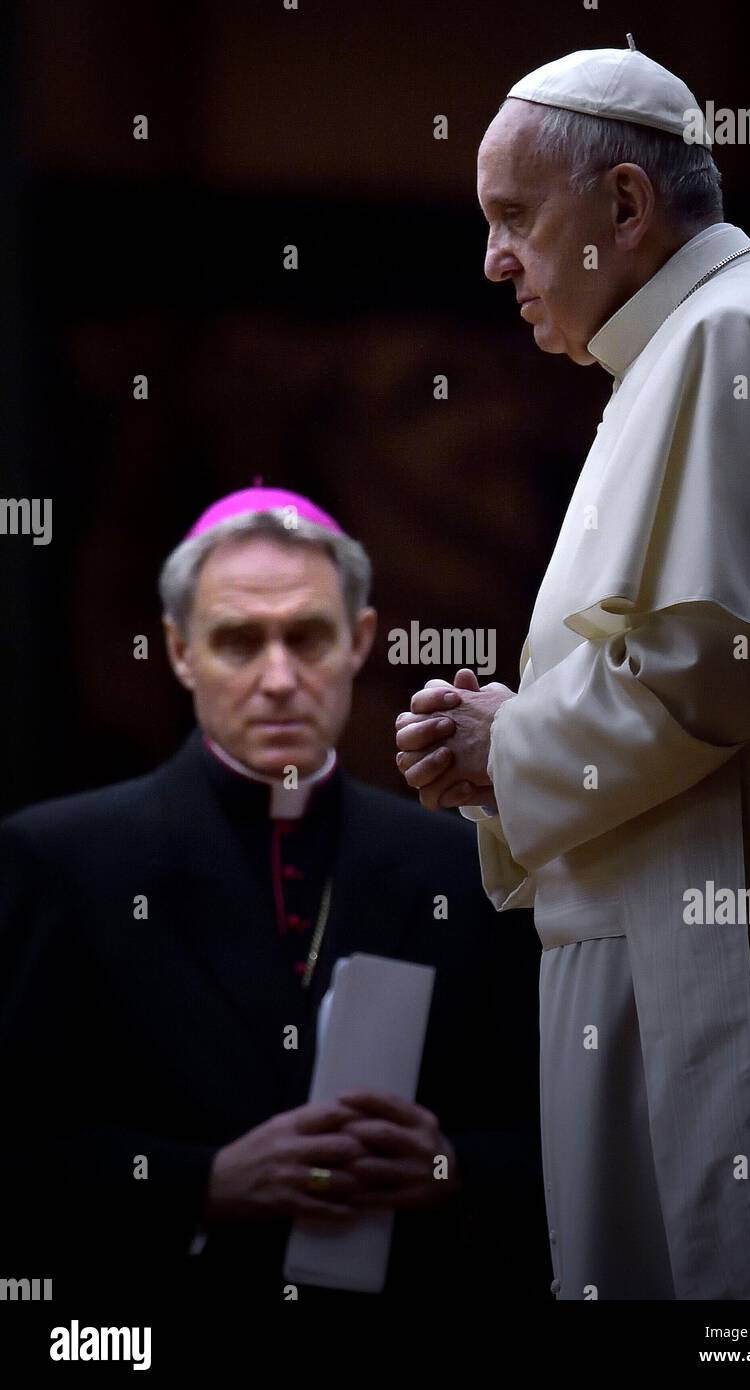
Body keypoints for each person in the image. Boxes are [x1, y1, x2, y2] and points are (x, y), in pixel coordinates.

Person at [395, 43, 750, 1300]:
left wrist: (502, 751)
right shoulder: (691, 347)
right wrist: (510, 735)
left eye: (514, 218)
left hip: (737, 944)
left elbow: (712, 670)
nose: (494, 260)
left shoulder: (735, 336)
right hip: (665, 932)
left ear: (622, 204)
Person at [0, 486, 548, 1308]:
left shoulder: (465, 865)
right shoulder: (58, 861)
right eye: (239, 642)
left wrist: (450, 1167)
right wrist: (204, 1182)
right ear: (180, 651)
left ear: (359, 641)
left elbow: (555, 1141)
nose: (280, 678)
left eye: (308, 637)